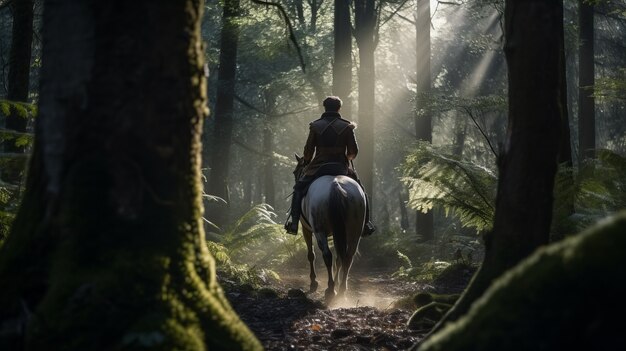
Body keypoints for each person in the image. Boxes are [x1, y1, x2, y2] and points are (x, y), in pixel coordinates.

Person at [284, 96, 376, 236]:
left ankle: (295, 223)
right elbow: (353, 152)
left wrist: (308, 161)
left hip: (319, 167)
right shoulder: (347, 126)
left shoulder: (315, 126)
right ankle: (365, 224)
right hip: (340, 167)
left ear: (325, 107)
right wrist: (346, 157)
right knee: (360, 190)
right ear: (339, 108)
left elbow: (308, 153)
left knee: (298, 189)